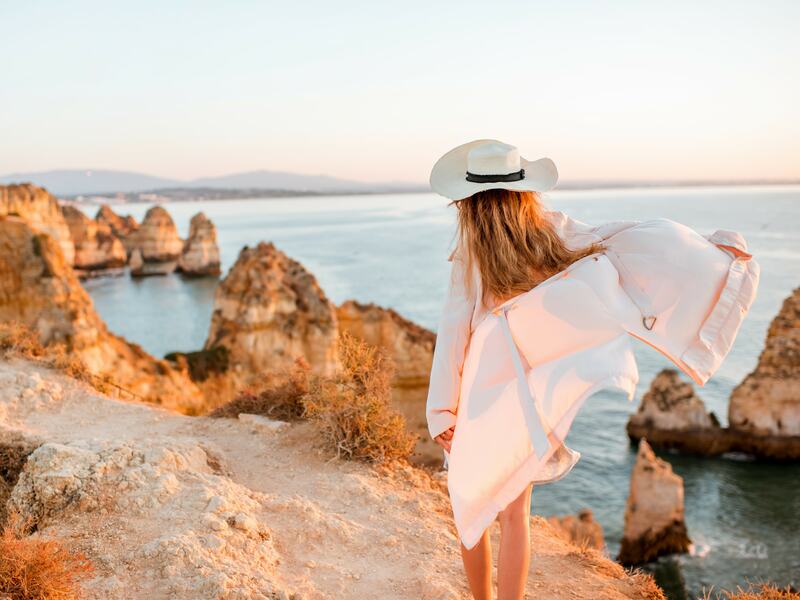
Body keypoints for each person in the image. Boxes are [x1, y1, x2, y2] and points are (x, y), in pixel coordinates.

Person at [425, 140, 759, 600]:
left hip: (482, 385)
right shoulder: (551, 231)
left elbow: (453, 331)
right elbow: (625, 238)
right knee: (515, 514)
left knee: (471, 506)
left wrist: (443, 411)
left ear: (466, 199)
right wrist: (710, 249)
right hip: (530, 383)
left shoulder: (469, 252)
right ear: (523, 188)